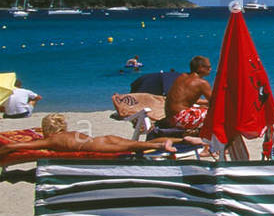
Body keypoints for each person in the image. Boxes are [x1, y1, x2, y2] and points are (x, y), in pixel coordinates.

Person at [0, 114, 204, 159]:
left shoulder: (52, 140)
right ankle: (183, 140)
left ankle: (162, 147)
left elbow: (19, 147)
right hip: (104, 137)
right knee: (139, 143)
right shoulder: (68, 134)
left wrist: (6, 148)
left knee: (137, 147)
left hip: (99, 145)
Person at [164, 56, 213, 130]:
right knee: (217, 114)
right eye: (208, 67)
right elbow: (216, 102)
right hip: (180, 119)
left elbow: (184, 100)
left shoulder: (182, 76)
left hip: (170, 118)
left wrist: (204, 105)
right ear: (200, 68)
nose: (210, 69)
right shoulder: (202, 83)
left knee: (202, 109)